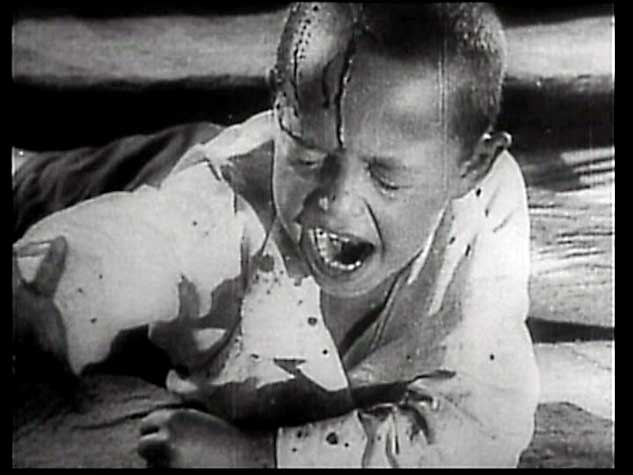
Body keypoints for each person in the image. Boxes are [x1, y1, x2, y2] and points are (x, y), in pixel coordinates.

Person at [12, 3, 540, 467]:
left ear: (470, 168)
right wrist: (60, 298)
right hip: (182, 191)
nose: (335, 200)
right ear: (279, 109)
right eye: (307, 155)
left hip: (208, 296)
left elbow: (481, 430)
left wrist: (258, 458)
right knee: (51, 185)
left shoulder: (480, 220)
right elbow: (141, 238)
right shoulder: (221, 203)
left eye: (385, 176)